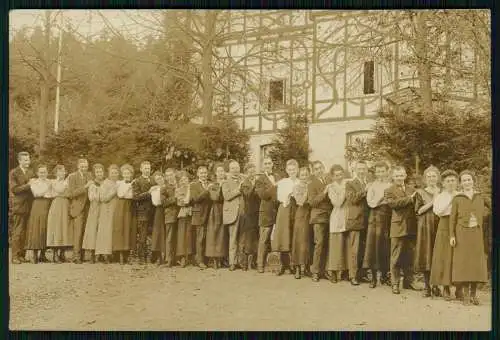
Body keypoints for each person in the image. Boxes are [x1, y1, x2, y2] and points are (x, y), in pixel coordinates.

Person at [449, 170, 489, 305]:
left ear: (473, 181)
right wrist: (452, 235)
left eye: (469, 179)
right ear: (461, 183)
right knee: (464, 263)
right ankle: (466, 295)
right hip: (461, 233)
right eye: (464, 180)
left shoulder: (480, 196)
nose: (467, 182)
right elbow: (452, 219)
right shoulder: (457, 198)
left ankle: (473, 295)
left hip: (476, 233)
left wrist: (484, 216)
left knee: (476, 264)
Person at [384, 166, 420, 294]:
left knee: (410, 255)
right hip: (397, 227)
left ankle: (408, 282)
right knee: (396, 256)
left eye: (401, 175)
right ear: (393, 177)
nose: (399, 178)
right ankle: (395, 283)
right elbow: (393, 204)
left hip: (411, 226)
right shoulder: (388, 191)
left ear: (405, 176)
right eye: (397, 176)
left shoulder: (412, 189)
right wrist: (410, 199)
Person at [363, 161, 392, 288]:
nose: (380, 174)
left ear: (387, 172)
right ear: (375, 173)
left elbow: (392, 202)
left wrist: (385, 200)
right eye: (378, 171)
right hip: (375, 218)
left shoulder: (391, 185)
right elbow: (371, 203)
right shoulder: (372, 185)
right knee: (373, 246)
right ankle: (373, 278)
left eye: (383, 171)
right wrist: (382, 199)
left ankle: (385, 276)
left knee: (385, 246)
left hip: (388, 218)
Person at [413, 165, 441, 297]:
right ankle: (427, 287)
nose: (431, 179)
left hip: (440, 225)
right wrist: (433, 201)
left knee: (438, 254)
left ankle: (436, 285)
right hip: (426, 226)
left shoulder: (442, 191)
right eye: (429, 176)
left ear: (438, 177)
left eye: (434, 176)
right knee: (426, 253)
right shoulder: (420, 192)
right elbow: (418, 210)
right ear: (425, 178)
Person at [272, 159, 300, 276]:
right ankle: (284, 264)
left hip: (297, 209)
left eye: (294, 169)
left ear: (297, 170)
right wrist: (288, 195)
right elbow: (280, 197)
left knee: (294, 236)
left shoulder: (300, 182)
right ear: (286, 170)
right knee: (284, 236)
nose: (292, 171)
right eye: (289, 169)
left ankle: (294, 265)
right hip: (285, 208)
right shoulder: (283, 182)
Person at [345, 161, 369, 286]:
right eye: (359, 169)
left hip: (367, 220)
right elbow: (352, 199)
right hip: (355, 219)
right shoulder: (349, 183)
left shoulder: (368, 182)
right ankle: (352, 275)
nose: (361, 171)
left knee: (363, 249)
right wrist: (365, 191)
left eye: (364, 169)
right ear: (354, 170)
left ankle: (361, 275)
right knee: (354, 249)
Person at [307, 160, 333, 282]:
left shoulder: (329, 180)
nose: (319, 170)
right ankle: (315, 271)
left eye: (320, 168)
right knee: (319, 243)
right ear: (313, 171)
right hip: (318, 217)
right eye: (316, 169)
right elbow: (312, 202)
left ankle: (326, 270)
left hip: (330, 216)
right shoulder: (311, 184)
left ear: (324, 168)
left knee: (328, 244)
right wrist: (324, 192)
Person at [255, 157, 280, 273]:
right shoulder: (260, 179)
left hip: (278, 211)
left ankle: (278, 265)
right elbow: (263, 195)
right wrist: (275, 186)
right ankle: (260, 264)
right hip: (266, 212)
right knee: (264, 239)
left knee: (278, 238)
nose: (268, 165)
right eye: (265, 163)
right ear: (262, 165)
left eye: (269, 163)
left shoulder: (278, 176)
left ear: (272, 164)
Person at [9, 151, 35, 264]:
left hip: (30, 205)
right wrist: (29, 185)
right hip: (19, 205)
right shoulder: (14, 173)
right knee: (17, 231)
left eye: (28, 159)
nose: (27, 162)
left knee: (25, 231)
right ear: (19, 161)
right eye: (25, 160)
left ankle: (22, 255)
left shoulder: (31, 172)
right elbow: (14, 189)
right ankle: (14, 256)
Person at [25, 164, 53, 264]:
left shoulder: (50, 181)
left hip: (47, 205)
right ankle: (34, 254)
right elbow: (37, 193)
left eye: (44, 172)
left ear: (47, 172)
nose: (43, 174)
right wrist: (47, 188)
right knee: (36, 228)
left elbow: (52, 194)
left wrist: (48, 189)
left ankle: (43, 254)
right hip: (37, 205)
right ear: (37, 173)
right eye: (41, 172)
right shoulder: (34, 182)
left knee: (45, 228)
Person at [326, 164, 349, 283]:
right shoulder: (331, 188)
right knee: (336, 246)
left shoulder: (347, 183)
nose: (339, 177)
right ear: (332, 177)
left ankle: (344, 271)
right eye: (336, 175)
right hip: (337, 217)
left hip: (348, 217)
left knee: (345, 246)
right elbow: (338, 203)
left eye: (341, 174)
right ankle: (333, 271)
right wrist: (344, 189)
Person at [67, 158, 93, 263]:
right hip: (78, 207)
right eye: (82, 167)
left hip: (89, 207)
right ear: (78, 166)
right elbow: (71, 193)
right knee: (77, 232)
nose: (84, 169)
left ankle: (82, 255)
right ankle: (76, 256)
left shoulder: (89, 175)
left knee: (85, 232)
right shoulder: (72, 176)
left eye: (86, 167)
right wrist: (85, 187)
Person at [222, 160, 245, 271]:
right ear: (229, 170)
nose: (236, 170)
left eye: (237, 168)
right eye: (233, 168)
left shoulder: (243, 180)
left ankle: (240, 261)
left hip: (243, 213)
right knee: (233, 238)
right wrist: (238, 190)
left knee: (242, 238)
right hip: (232, 214)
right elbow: (226, 196)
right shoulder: (226, 182)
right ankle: (232, 262)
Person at [95, 164, 120, 263]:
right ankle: (104, 254)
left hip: (116, 211)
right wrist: (114, 191)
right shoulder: (105, 183)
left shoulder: (119, 183)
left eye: (116, 173)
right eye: (112, 173)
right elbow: (103, 198)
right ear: (109, 174)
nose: (114, 175)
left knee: (113, 232)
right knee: (105, 232)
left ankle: (112, 253)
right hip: (106, 211)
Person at [46, 165, 71, 263]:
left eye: (63, 171)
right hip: (57, 205)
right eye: (59, 171)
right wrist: (63, 191)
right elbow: (59, 191)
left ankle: (62, 253)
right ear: (56, 173)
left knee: (65, 227)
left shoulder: (68, 182)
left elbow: (70, 194)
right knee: (56, 228)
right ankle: (55, 254)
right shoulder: (53, 182)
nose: (62, 173)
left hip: (66, 205)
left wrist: (64, 193)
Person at [205, 163, 228, 269]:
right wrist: (221, 186)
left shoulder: (227, 183)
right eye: (219, 171)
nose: (221, 173)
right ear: (216, 173)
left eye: (222, 171)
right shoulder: (213, 185)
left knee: (224, 235)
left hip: (226, 210)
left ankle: (222, 258)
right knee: (214, 234)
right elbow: (215, 198)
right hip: (215, 211)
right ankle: (214, 259)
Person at [112, 164, 136, 265]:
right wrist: (130, 186)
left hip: (130, 206)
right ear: (122, 174)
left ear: (131, 174)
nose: (127, 175)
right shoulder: (119, 183)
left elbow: (133, 196)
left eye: (129, 173)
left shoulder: (135, 183)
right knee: (121, 229)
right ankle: (121, 255)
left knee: (130, 229)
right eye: (125, 173)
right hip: (121, 207)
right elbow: (121, 194)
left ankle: (128, 255)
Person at [82, 164, 105, 263]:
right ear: (94, 173)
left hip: (104, 209)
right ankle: (92, 254)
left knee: (102, 230)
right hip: (94, 208)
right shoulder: (91, 184)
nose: (99, 173)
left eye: (101, 171)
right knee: (92, 230)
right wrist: (98, 192)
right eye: (97, 172)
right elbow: (92, 198)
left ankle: (100, 254)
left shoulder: (106, 183)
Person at [291, 166, 312, 279]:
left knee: (308, 241)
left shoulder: (311, 185)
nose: (305, 177)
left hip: (310, 215)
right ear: (299, 176)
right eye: (302, 175)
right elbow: (301, 201)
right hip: (301, 215)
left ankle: (307, 266)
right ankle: (298, 267)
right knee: (300, 241)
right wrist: (308, 190)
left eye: (306, 174)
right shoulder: (297, 187)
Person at [239, 163, 260, 271]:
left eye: (253, 171)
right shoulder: (244, 184)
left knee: (256, 238)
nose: (252, 173)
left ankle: (254, 262)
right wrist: (255, 185)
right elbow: (248, 195)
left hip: (257, 213)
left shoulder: (256, 182)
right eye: (250, 172)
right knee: (248, 239)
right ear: (247, 173)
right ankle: (245, 263)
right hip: (248, 214)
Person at [190, 166, 212, 269]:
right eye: (202, 173)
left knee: (207, 238)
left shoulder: (210, 183)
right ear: (198, 174)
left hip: (209, 214)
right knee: (200, 238)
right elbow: (196, 199)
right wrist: (207, 190)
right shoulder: (194, 185)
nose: (204, 175)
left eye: (205, 173)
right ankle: (199, 261)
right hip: (199, 215)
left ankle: (206, 260)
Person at [132, 161, 154, 265]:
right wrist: (148, 193)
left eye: (149, 168)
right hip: (142, 212)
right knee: (143, 235)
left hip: (153, 211)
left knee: (153, 234)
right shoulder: (137, 181)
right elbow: (135, 196)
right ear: (141, 169)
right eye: (145, 168)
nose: (147, 170)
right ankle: (142, 257)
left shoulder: (153, 180)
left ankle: (152, 256)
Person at [175, 171, 193, 267]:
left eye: (185, 179)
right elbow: (183, 202)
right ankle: (182, 257)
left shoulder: (192, 188)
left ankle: (189, 256)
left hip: (191, 215)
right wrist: (189, 192)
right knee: (182, 236)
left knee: (190, 235)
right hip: (182, 215)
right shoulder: (178, 190)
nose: (184, 181)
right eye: (182, 180)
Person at [162, 168, 179, 267]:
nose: (169, 177)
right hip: (170, 215)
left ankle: (177, 258)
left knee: (178, 237)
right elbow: (164, 202)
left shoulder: (180, 184)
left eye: (171, 175)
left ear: (174, 175)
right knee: (169, 238)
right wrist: (175, 198)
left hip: (181, 215)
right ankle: (168, 259)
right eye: (167, 176)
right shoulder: (164, 188)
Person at [150, 171, 166, 265]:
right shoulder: (154, 189)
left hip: (168, 210)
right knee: (159, 232)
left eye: (160, 178)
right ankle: (159, 256)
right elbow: (156, 202)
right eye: (157, 179)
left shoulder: (168, 186)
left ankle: (167, 256)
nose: (159, 180)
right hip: (159, 211)